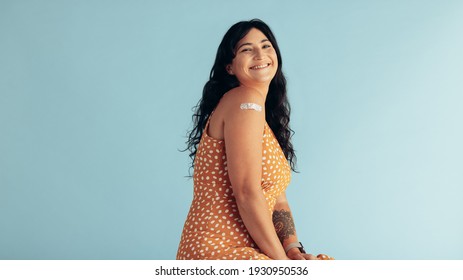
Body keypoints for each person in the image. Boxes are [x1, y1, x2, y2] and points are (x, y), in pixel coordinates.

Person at [177, 19, 333, 260]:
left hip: (254, 248)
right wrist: (283, 266)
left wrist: (292, 250)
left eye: (266, 46)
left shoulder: (260, 115)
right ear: (230, 67)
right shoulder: (244, 100)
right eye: (246, 49)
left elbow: (278, 199)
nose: (260, 54)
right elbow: (247, 192)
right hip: (218, 250)